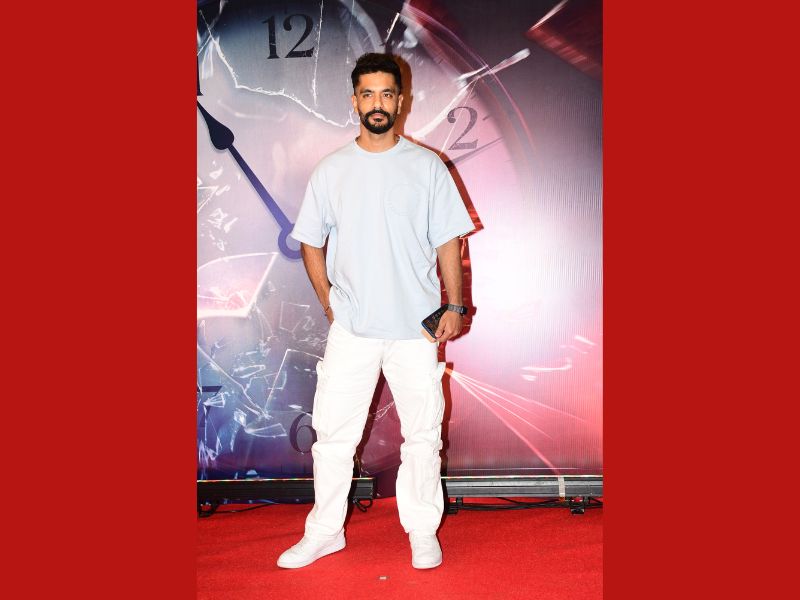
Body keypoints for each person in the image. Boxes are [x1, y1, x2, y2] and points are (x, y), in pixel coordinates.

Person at [278, 53, 474, 570]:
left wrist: (454, 304)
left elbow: (448, 241)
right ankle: (324, 532)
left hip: (416, 329)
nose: (378, 103)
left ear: (401, 101)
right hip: (353, 330)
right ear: (355, 101)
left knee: (423, 436)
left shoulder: (426, 166)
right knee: (333, 437)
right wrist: (329, 301)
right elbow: (310, 241)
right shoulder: (332, 169)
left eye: (387, 93)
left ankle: (422, 532)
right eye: (368, 94)